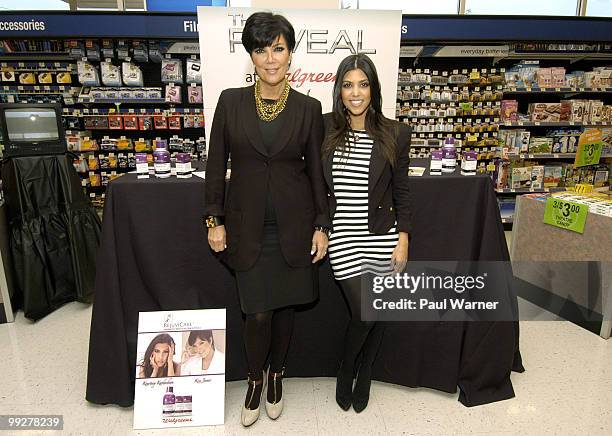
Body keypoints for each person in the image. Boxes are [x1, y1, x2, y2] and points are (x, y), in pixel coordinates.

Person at [204, 12, 330, 427]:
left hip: (294, 228)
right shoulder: (230, 101)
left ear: (290, 53)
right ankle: (255, 378)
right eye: (261, 50)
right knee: (258, 312)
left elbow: (316, 172)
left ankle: (278, 373)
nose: (271, 59)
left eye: (278, 48)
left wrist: (321, 225)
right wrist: (214, 219)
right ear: (251, 56)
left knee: (288, 306)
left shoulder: (309, 108)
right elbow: (216, 164)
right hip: (247, 228)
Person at [321, 54, 412, 413]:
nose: (355, 93)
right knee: (365, 313)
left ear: (373, 89)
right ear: (339, 90)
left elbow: (402, 190)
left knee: (378, 312)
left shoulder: (395, 133)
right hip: (342, 234)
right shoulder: (324, 127)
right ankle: (347, 369)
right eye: (347, 85)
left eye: (362, 84)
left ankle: (367, 372)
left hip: (382, 235)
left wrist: (403, 237)